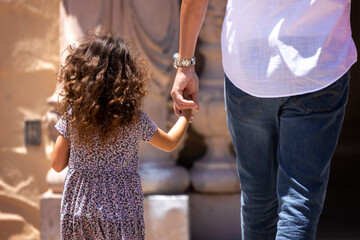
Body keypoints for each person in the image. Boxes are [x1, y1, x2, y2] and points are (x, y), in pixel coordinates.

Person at [171, 0, 357, 239]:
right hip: (318, 61)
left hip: (249, 65)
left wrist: (185, 65)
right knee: (299, 200)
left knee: (257, 199)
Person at [51, 34, 192, 240]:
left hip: (80, 209)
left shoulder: (75, 116)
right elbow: (170, 143)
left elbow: (56, 164)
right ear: (127, 77)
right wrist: (185, 116)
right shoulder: (132, 118)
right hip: (121, 211)